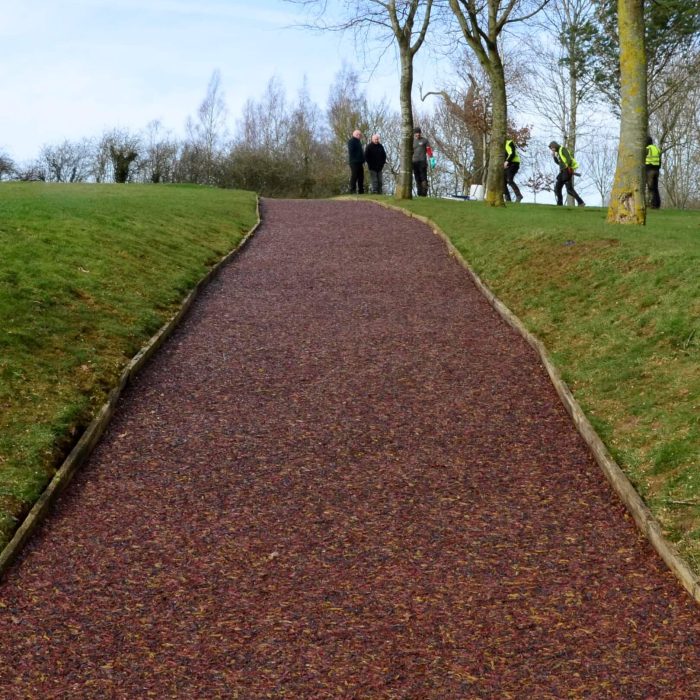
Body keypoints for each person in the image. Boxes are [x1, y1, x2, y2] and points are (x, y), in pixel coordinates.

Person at [548, 141, 585, 207]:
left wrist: (567, 166)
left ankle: (581, 202)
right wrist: (554, 156)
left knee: (569, 190)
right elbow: (559, 163)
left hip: (566, 171)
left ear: (554, 146)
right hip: (562, 172)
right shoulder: (558, 152)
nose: (551, 149)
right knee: (557, 189)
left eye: (552, 148)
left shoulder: (562, 149)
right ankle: (560, 204)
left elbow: (568, 158)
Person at [412, 127, 433, 197]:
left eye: (418, 133)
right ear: (414, 134)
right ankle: (419, 193)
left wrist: (431, 158)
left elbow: (429, 150)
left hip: (422, 161)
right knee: (417, 178)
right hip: (414, 162)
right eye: (416, 133)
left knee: (423, 177)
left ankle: (424, 193)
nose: (417, 134)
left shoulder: (425, 140)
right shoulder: (412, 141)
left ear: (420, 133)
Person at [503, 138, 523, 203]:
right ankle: (508, 200)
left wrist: (507, 161)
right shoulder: (500, 146)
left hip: (514, 163)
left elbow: (512, 153)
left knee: (509, 180)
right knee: (503, 182)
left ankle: (519, 195)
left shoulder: (509, 143)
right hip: (507, 165)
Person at [645, 136, 661, 209]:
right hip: (656, 170)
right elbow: (660, 160)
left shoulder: (647, 149)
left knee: (650, 188)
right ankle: (657, 204)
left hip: (649, 170)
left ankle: (652, 204)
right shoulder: (657, 149)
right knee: (655, 188)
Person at [347, 129, 365, 194]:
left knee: (361, 177)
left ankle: (361, 191)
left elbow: (361, 152)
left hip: (360, 162)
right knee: (354, 176)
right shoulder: (351, 141)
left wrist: (363, 159)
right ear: (354, 134)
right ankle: (352, 190)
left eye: (360, 134)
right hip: (354, 162)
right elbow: (351, 152)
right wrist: (357, 158)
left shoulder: (359, 142)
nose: (359, 135)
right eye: (358, 134)